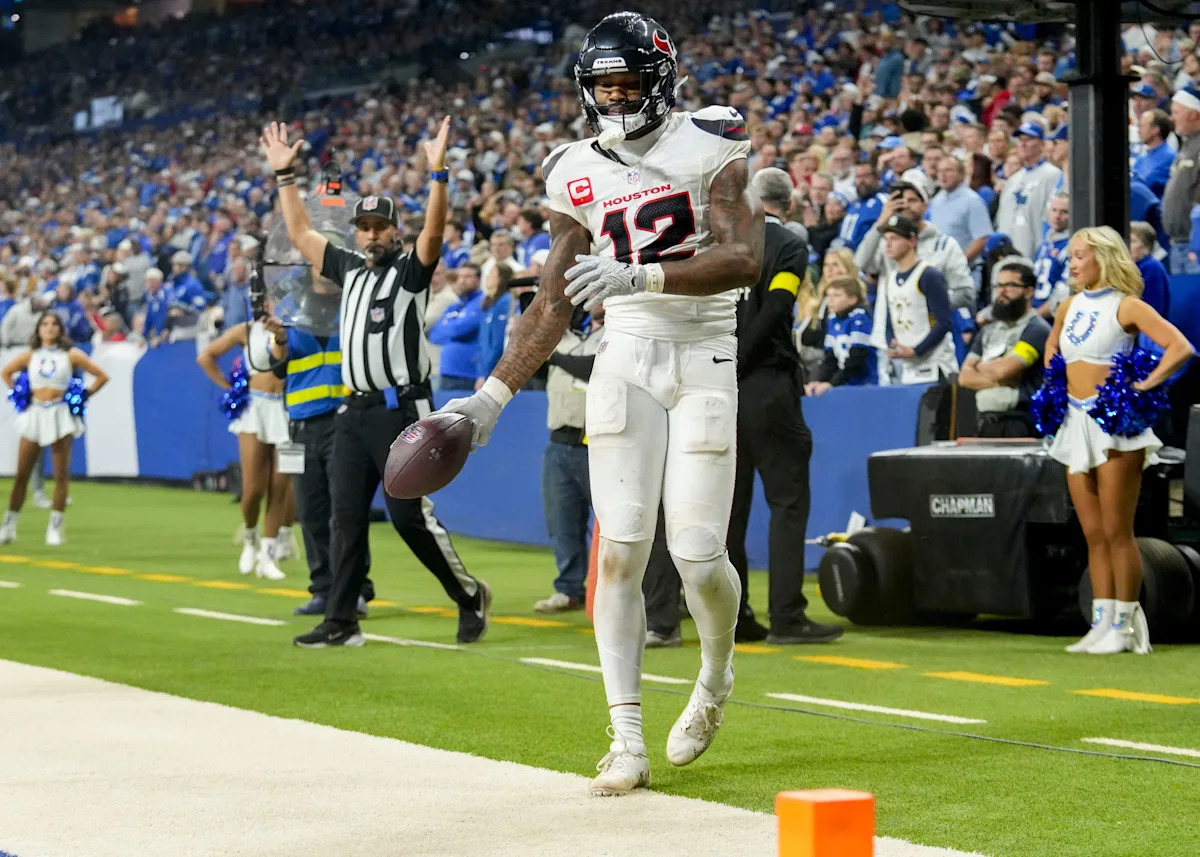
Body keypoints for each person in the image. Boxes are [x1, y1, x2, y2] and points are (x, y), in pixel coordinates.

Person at [433, 12, 763, 795]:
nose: (615, 98)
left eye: (628, 83)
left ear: (661, 80)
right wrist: (491, 396)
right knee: (619, 546)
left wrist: (641, 276)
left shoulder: (712, 141)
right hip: (626, 355)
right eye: (603, 86)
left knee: (697, 554)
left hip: (704, 353)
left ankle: (715, 677)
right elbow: (553, 297)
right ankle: (626, 736)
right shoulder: (571, 168)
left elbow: (744, 257)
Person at [260, 117, 491, 648]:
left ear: (394, 233)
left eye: (379, 227)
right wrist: (285, 177)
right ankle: (342, 621)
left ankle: (468, 594)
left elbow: (434, 233)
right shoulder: (349, 269)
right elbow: (300, 234)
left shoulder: (410, 272)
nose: (370, 234)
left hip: (401, 410)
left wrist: (438, 174)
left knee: (409, 519)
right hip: (354, 410)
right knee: (344, 517)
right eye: (363, 227)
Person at [1045, 227, 1193, 654]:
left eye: (1080, 256)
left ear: (1103, 258)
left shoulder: (1127, 305)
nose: (1072, 263)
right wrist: (1055, 379)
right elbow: (1054, 345)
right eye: (1071, 256)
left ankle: (1125, 626)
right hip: (1075, 422)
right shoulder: (1068, 305)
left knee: (1116, 530)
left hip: (1115, 425)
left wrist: (1144, 385)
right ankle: (1101, 623)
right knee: (1092, 532)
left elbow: (1180, 347)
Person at [726, 167, 842, 644]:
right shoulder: (790, 245)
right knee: (788, 502)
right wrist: (742, 360)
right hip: (768, 384)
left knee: (730, 511)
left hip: (721, 390)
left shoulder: (726, 240)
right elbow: (777, 307)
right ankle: (788, 617)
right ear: (789, 206)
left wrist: (724, 366)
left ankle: (734, 618)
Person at [261, 284, 375, 618]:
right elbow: (278, 368)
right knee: (311, 510)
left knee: (345, 509)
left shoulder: (352, 308)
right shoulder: (289, 311)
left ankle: (354, 588)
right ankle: (323, 588)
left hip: (344, 421)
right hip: (301, 426)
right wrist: (279, 338)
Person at [196, 316, 294, 580]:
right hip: (256, 409)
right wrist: (229, 387)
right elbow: (206, 356)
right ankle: (250, 536)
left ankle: (269, 555)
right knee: (252, 490)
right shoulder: (247, 329)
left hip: (290, 408)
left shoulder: (298, 325)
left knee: (281, 486)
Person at [0, 311, 109, 545]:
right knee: (22, 474)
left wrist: (84, 395)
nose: (49, 328)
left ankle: (55, 527)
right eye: (45, 324)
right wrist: (19, 393)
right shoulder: (30, 355)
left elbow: (101, 376)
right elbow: (6, 372)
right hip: (35, 413)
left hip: (59, 414)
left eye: (54, 324)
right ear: (38, 330)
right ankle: (9, 526)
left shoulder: (71, 355)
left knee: (61, 475)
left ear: (60, 329)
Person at [533, 303, 606, 613]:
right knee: (562, 522)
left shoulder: (618, 332)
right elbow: (532, 366)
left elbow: (593, 367)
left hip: (599, 443)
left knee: (612, 524)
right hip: (559, 440)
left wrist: (554, 357)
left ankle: (618, 590)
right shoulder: (561, 335)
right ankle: (569, 588)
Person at [957, 260, 1050, 437]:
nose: (1002, 291)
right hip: (985, 422)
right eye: (999, 285)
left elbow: (1004, 370)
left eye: (1010, 285)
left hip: (1019, 422)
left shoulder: (1036, 329)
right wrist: (999, 378)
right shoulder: (987, 331)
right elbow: (964, 378)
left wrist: (980, 367)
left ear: (1029, 291)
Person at [870, 214, 959, 385]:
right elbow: (890, 322)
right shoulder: (890, 279)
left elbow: (944, 322)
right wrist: (892, 344)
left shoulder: (929, 275)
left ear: (912, 241)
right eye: (886, 239)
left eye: (894, 238)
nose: (888, 244)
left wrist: (916, 350)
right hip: (908, 368)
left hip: (936, 366)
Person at [804, 276, 878, 393]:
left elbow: (857, 357)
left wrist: (833, 383)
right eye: (828, 296)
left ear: (852, 299)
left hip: (865, 384)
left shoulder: (860, 317)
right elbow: (830, 359)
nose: (831, 300)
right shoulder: (833, 319)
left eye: (836, 295)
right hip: (845, 384)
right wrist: (821, 381)